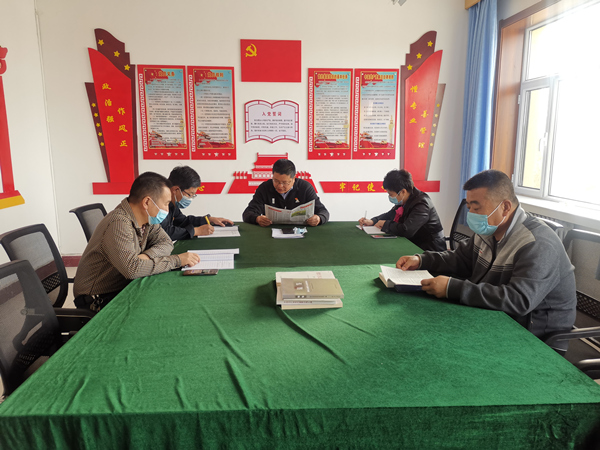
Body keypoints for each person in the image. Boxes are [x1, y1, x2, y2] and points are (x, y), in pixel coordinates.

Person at [396, 169, 576, 352]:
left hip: (534, 339)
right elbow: (460, 258)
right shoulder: (490, 229)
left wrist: (453, 288)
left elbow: (518, 300)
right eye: (469, 208)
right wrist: (422, 260)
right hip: (494, 317)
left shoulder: (537, 243)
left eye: (477, 208)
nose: (471, 214)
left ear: (505, 207)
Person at [73, 172, 201, 311]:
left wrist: (145, 257)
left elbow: (166, 242)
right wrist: (177, 260)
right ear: (147, 202)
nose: (166, 210)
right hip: (98, 299)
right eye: (165, 204)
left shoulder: (147, 220)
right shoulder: (119, 223)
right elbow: (132, 270)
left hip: (123, 286)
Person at [358, 169, 445, 251]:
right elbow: (390, 214)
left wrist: (385, 224)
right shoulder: (405, 199)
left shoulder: (422, 204)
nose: (390, 197)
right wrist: (373, 221)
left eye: (391, 194)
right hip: (414, 242)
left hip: (430, 249)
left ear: (403, 192)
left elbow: (407, 230)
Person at [242, 159, 330, 227]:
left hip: (299, 232)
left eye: (285, 182)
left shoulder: (305, 188)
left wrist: (319, 218)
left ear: (293, 179)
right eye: (276, 181)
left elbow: (323, 212)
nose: (280, 186)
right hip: (271, 233)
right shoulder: (264, 188)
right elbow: (247, 213)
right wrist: (257, 219)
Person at [162, 165, 234, 240]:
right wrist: (195, 231)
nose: (190, 199)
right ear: (175, 190)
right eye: (189, 195)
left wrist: (208, 220)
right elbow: (163, 233)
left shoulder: (172, 203)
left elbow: (182, 221)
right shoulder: (158, 202)